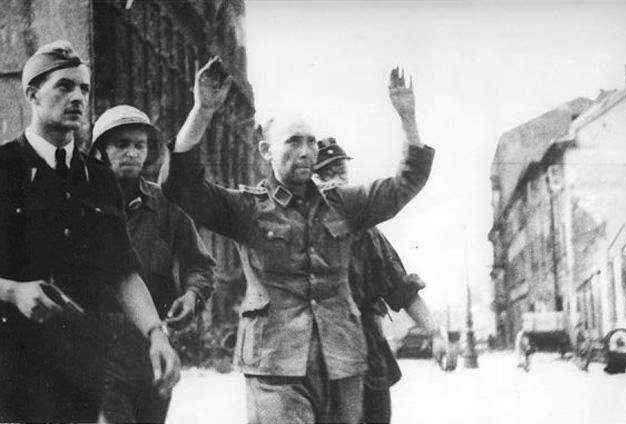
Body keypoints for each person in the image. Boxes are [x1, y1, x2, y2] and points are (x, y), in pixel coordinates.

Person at [163, 58, 435, 424]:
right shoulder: (246, 209)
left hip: (343, 361)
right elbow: (184, 187)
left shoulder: (344, 204)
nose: (307, 151)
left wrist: (408, 118)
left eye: (312, 143)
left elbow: (405, 184)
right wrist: (202, 111)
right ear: (265, 150)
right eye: (294, 141)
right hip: (275, 364)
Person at [0, 40, 180, 422]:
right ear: (32, 93)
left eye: (84, 88)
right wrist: (12, 290)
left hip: (79, 369)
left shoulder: (97, 178)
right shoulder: (4, 168)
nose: (78, 97)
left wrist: (155, 333)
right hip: (10, 368)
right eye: (64, 86)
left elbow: (122, 271)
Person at [89, 105, 216, 422]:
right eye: (121, 145)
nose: (131, 153)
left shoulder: (167, 207)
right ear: (101, 152)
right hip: (98, 352)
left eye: (139, 145)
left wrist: (192, 295)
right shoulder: (83, 204)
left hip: (154, 350)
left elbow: (199, 265)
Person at [314, 137, 448, 423]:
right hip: (313, 351)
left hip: (364, 343)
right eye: (326, 173)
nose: (336, 180)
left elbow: (400, 287)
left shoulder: (365, 231)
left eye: (340, 172)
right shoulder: (294, 225)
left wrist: (435, 333)